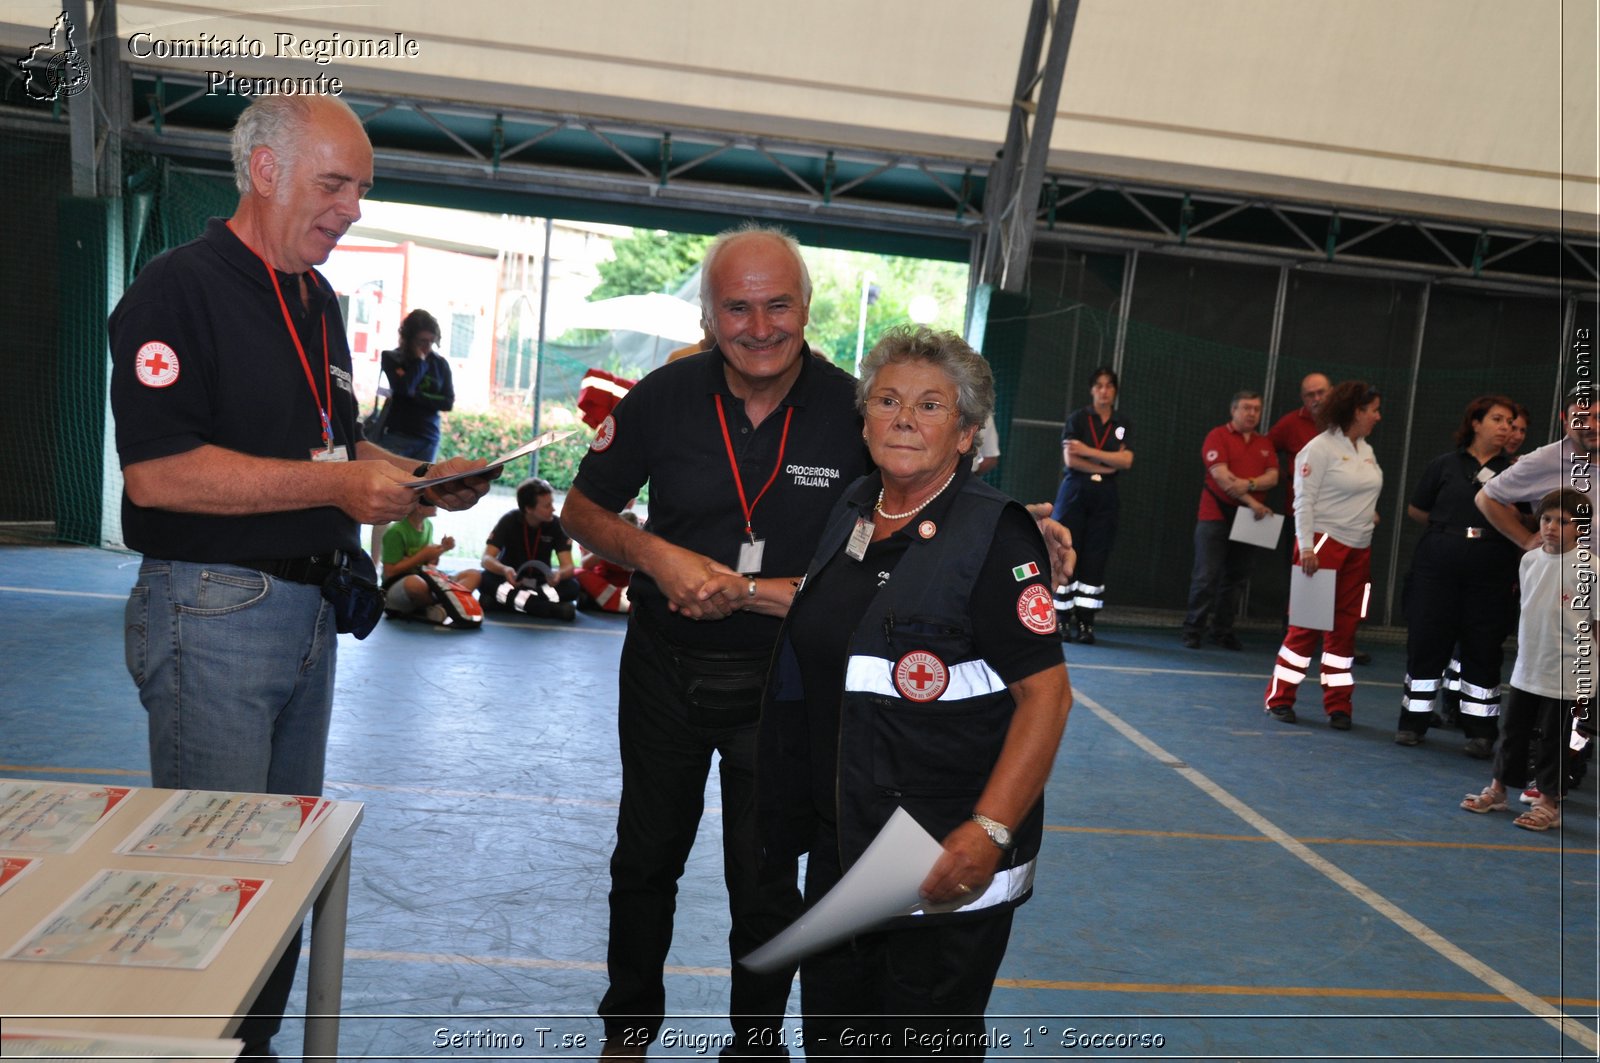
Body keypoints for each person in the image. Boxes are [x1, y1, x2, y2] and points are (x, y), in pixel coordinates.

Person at [108, 95, 492, 1058]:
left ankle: (252, 1047)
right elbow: (159, 471)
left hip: (306, 613)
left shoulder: (316, 300)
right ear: (265, 172)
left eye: (361, 188)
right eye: (336, 184)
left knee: (274, 866)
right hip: (213, 610)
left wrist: (407, 479)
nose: (354, 208)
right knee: (215, 871)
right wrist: (347, 480)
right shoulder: (175, 289)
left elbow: (320, 446)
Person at [560, 224, 872, 1059]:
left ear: (808, 308)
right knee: (643, 861)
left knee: (766, 878)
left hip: (785, 679)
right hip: (664, 669)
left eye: (778, 304)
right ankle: (627, 1034)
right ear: (708, 312)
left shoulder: (853, 415)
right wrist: (655, 554)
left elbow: (906, 533)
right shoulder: (663, 397)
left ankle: (757, 1044)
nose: (759, 325)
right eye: (737, 306)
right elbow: (581, 511)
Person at [755, 326, 1072, 1056]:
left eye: (931, 405)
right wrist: (736, 590)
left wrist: (989, 831)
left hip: (940, 858)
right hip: (846, 842)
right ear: (863, 419)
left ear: (965, 434)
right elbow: (838, 617)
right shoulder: (856, 508)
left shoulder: (997, 537)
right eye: (888, 400)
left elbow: (1047, 698)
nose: (904, 417)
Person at [1459, 489, 1594, 831]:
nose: (1550, 527)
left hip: (1568, 674)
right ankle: (1499, 789)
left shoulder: (1591, 569)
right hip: (1528, 668)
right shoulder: (1529, 561)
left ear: (1580, 527)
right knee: (1513, 732)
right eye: (1546, 519)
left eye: (1562, 522)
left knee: (1554, 741)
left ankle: (1549, 803)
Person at [1394, 396, 1520, 754]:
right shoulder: (1443, 465)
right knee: (1427, 639)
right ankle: (1413, 722)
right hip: (1437, 564)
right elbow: (1418, 510)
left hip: (1492, 565)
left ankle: (1480, 731)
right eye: (1497, 419)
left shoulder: (1516, 469)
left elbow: (1528, 518)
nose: (1505, 427)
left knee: (1483, 645)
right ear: (1475, 423)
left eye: (1510, 422)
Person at [1263, 381, 1383, 730]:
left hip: (1360, 550)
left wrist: (1367, 513)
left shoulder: (1367, 450)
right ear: (1356, 411)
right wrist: (1305, 547)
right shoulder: (1317, 449)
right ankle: (1280, 698)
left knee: (1345, 631)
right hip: (1321, 549)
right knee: (1304, 630)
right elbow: (1303, 501)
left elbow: (1361, 492)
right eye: (1373, 409)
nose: (1378, 415)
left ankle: (1339, 706)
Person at [1181, 390, 1278, 650]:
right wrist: (1254, 500)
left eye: (1256, 409)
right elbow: (1223, 479)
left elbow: (1273, 476)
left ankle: (1222, 631)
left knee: (1236, 579)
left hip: (1250, 520)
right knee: (1206, 576)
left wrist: (1249, 483)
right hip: (1215, 516)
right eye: (1246, 408)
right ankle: (1193, 629)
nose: (1251, 413)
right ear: (1233, 410)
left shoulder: (1264, 443)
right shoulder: (1217, 436)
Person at [1050, 366, 1132, 645]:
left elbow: (1127, 461)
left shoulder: (1121, 423)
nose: (1104, 390)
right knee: (1067, 552)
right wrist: (1107, 461)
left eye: (1109, 385)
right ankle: (1061, 621)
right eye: (1099, 385)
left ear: (1115, 391)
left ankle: (1086, 624)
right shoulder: (1078, 419)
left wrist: (1087, 451)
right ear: (1092, 390)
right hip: (1075, 491)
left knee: (1095, 560)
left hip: (1105, 495)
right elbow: (1071, 461)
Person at [1477, 385, 1599, 548]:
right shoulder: (1544, 460)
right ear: (1566, 424)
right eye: (1580, 419)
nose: (1591, 426)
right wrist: (1525, 539)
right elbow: (1485, 498)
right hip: (1567, 571)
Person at [480, 476, 580, 621]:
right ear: (528, 509)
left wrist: (559, 575)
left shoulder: (556, 525)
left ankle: (506, 603)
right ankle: (547, 609)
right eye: (547, 506)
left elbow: (568, 567)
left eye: (551, 503)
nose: (553, 508)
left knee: (572, 587)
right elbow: (486, 559)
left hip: (541, 585)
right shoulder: (509, 520)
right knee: (485, 579)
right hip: (511, 581)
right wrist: (504, 570)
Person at [374, 308, 455, 461]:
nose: (427, 347)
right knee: (391, 481)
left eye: (431, 341)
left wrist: (416, 395)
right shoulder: (392, 358)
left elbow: (447, 402)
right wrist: (420, 362)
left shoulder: (440, 364)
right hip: (398, 434)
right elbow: (404, 388)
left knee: (423, 482)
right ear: (409, 339)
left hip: (428, 436)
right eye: (422, 341)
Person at [381, 500, 482, 620]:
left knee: (474, 575)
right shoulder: (396, 531)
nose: (438, 505)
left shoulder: (428, 525)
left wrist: (442, 549)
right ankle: (446, 605)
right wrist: (422, 555)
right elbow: (389, 572)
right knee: (415, 583)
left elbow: (429, 564)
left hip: (426, 579)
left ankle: (442, 607)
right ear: (419, 507)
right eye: (433, 503)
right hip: (399, 586)